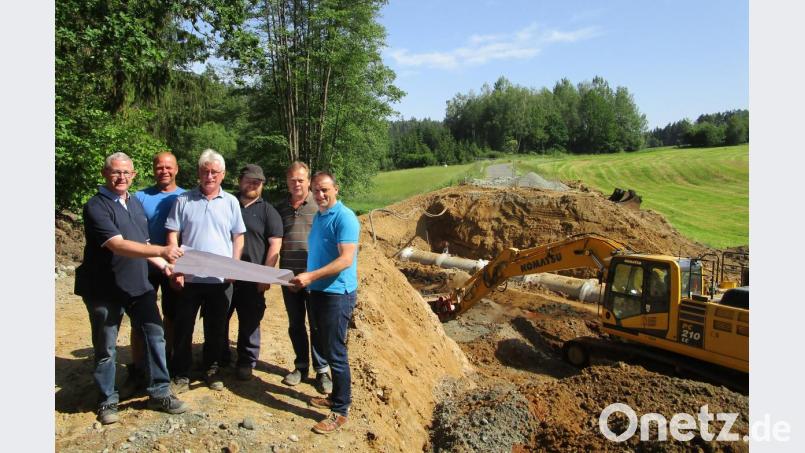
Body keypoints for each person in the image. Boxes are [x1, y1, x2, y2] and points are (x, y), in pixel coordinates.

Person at [74, 152, 188, 425]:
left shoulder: (134, 202)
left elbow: (143, 241)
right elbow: (118, 244)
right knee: (106, 347)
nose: (121, 177)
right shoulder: (96, 206)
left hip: (138, 285)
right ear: (105, 174)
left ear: (134, 175)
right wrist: (163, 249)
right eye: (116, 172)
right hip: (104, 289)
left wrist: (164, 266)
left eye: (126, 172)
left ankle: (160, 392)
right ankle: (107, 400)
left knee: (155, 334)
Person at [165, 149, 246, 392]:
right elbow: (172, 235)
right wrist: (175, 269)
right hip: (188, 277)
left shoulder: (231, 202)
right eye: (205, 171)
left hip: (220, 279)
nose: (209, 176)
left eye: (214, 172)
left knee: (216, 328)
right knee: (183, 327)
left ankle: (211, 370)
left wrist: (234, 265)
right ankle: (181, 373)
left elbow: (238, 237)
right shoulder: (183, 201)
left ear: (222, 175)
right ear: (199, 173)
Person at [290, 171, 360, 434]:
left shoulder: (345, 218)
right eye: (316, 191)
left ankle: (340, 410)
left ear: (336, 189)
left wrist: (310, 276)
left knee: (335, 352)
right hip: (317, 292)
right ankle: (334, 398)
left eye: (325, 190)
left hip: (336, 295)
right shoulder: (320, 216)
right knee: (323, 342)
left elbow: (345, 260)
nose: (320, 195)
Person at [123, 152, 186, 392]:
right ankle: (138, 367)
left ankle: (165, 362)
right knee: (140, 320)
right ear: (153, 170)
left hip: (174, 266)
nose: (164, 171)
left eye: (169, 167)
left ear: (177, 169)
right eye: (159, 167)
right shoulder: (139, 197)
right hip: (143, 265)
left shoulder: (186, 197)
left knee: (172, 316)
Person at [220, 164, 284, 380]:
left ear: (262, 185)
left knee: (250, 320)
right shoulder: (226, 204)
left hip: (252, 276)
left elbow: (275, 245)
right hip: (224, 274)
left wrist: (265, 277)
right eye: (249, 180)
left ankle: (246, 360)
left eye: (257, 182)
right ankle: (220, 357)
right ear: (240, 181)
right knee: (219, 317)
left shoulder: (269, 212)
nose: (253, 184)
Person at [275, 162, 331, 394]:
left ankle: (322, 371)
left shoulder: (319, 206)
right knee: (295, 324)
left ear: (308, 182)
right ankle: (300, 366)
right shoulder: (280, 209)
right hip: (289, 277)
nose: (296, 184)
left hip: (315, 277)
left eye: (300, 180)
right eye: (292, 180)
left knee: (317, 325)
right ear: (287, 183)